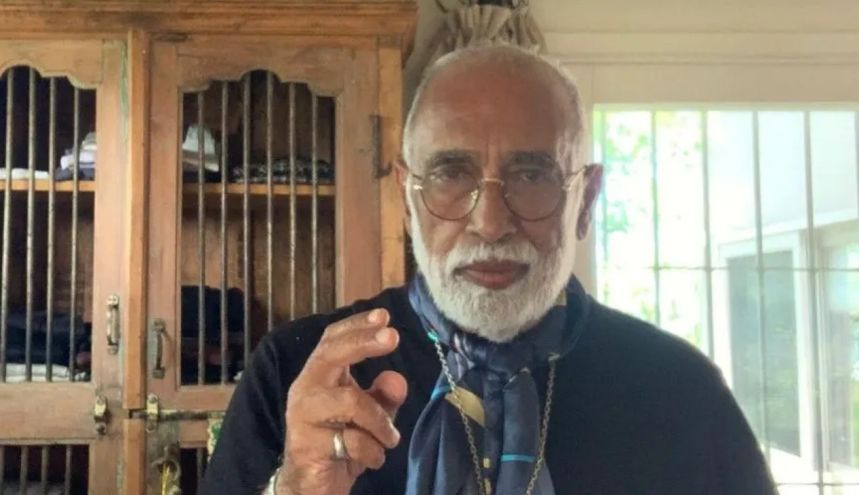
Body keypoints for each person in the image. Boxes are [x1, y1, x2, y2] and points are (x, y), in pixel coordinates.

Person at [200, 44, 777, 495]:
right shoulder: (299, 373)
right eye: (452, 173)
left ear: (586, 202)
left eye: (532, 175)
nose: (491, 223)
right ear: (406, 200)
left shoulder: (680, 390)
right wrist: (294, 486)